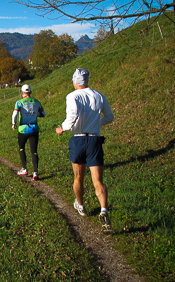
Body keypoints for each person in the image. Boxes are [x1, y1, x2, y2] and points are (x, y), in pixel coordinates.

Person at [55, 68, 115, 233]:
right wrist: (97, 123)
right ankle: (103, 210)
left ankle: (80, 205)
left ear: (75, 81)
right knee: (98, 181)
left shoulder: (72, 96)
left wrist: (63, 128)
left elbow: (72, 115)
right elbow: (109, 117)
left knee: (78, 176)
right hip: (95, 140)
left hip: (78, 139)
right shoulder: (98, 95)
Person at [12, 84, 45, 180]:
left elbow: (15, 114)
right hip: (34, 128)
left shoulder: (19, 102)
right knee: (34, 151)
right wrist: (34, 114)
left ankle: (24, 169)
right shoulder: (36, 102)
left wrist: (13, 123)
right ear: (30, 92)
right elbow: (43, 114)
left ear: (22, 93)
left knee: (21, 148)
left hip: (23, 129)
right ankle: (35, 172)